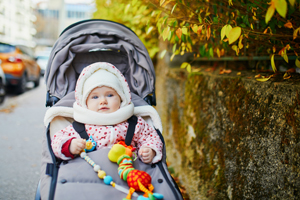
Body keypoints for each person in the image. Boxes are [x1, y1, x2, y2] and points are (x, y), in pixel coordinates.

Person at [51, 62, 163, 164]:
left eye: (110, 95)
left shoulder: (134, 123)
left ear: (121, 98)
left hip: (128, 174)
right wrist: (69, 146)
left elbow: (151, 136)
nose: (103, 101)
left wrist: (150, 149)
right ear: (85, 103)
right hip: (90, 173)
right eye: (95, 97)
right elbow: (57, 140)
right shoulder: (80, 126)